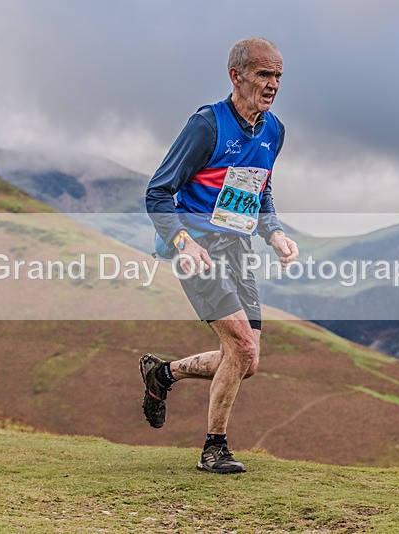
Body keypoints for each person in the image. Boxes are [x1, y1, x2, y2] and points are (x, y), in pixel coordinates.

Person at [143, 37, 298, 474]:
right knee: (242, 345)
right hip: (197, 250)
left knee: (248, 361)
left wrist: (275, 233)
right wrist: (183, 243)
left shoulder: (274, 130)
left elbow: (260, 188)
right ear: (236, 76)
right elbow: (158, 192)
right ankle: (214, 449)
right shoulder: (207, 125)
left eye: (278, 77)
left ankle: (163, 374)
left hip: (238, 247)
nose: (273, 85)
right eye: (264, 75)